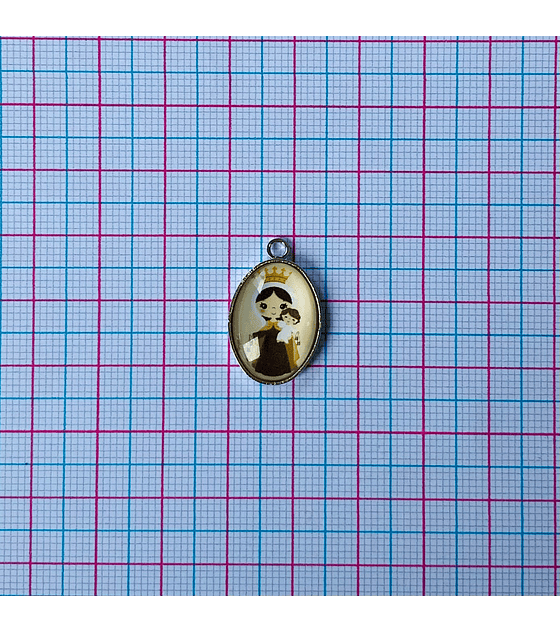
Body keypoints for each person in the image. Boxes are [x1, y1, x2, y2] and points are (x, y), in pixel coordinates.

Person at [250, 286, 293, 377]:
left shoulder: (283, 327)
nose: (273, 309)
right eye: (264, 306)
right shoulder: (262, 329)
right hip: (265, 351)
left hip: (281, 351)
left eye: (282, 306)